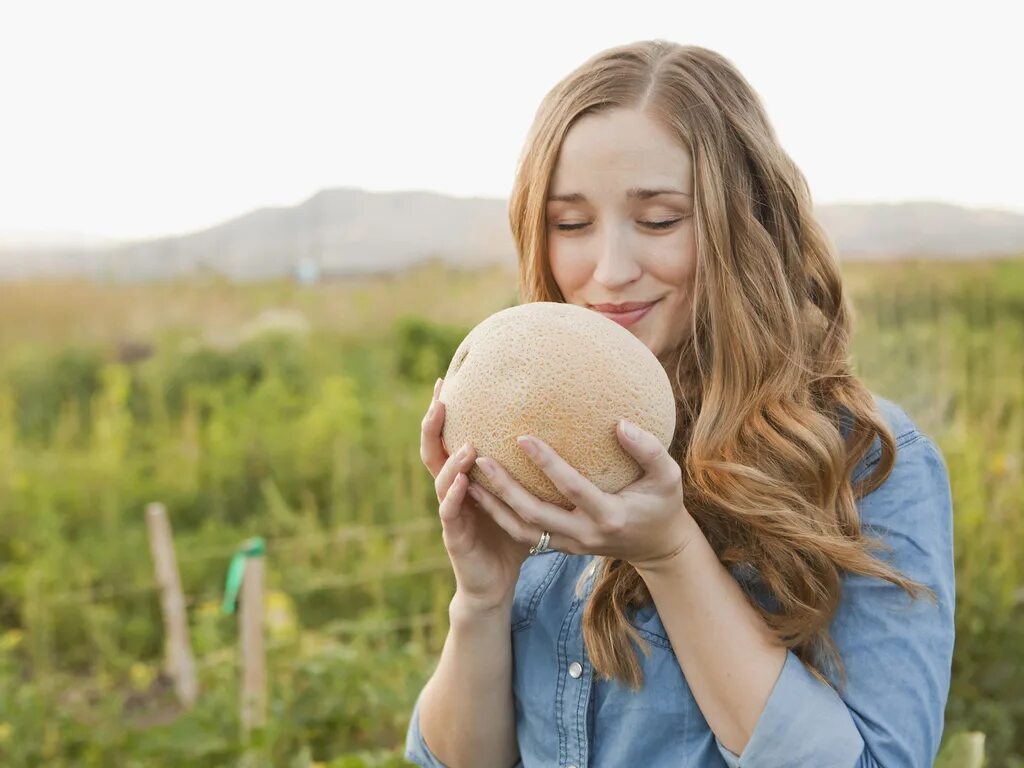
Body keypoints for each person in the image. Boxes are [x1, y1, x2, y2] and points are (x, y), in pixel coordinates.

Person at [405, 40, 955, 767]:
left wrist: (669, 552)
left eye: (660, 220)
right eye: (571, 224)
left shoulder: (864, 465)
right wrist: (481, 596)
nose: (610, 270)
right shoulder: (537, 444)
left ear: (743, 223)